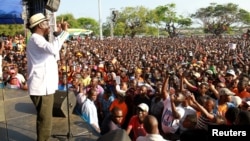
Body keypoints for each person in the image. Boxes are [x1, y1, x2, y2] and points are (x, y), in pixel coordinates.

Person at [26, 13, 69, 141]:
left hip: (44, 86)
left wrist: (58, 35)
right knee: (45, 120)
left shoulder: (39, 39)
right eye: (46, 23)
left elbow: (53, 56)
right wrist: (64, 33)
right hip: (41, 87)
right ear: (40, 25)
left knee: (45, 118)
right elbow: (53, 49)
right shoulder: (36, 38)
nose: (49, 26)